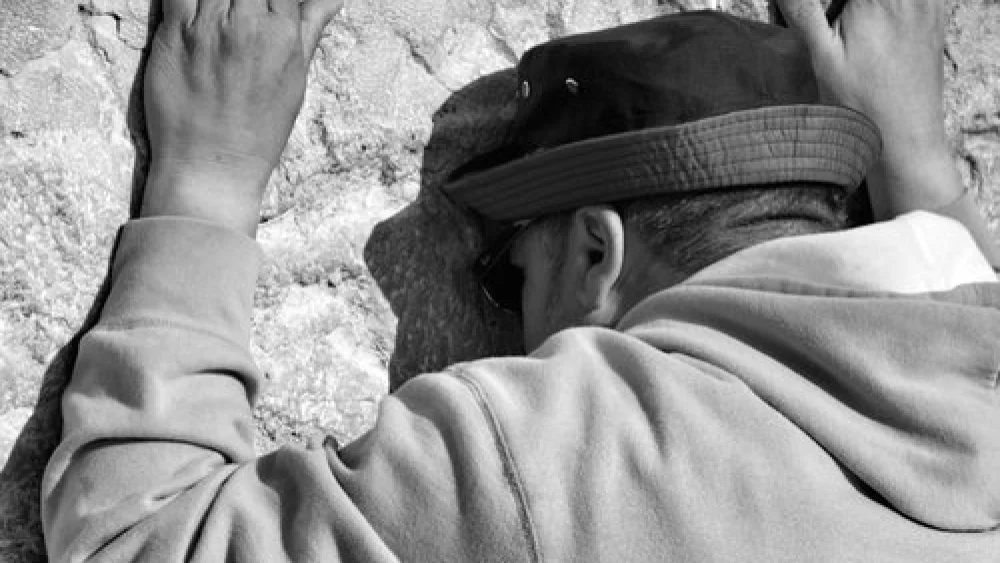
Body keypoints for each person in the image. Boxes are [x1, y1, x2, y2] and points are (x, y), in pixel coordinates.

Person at [41, 0, 1000, 561]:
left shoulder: (559, 455)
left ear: (596, 255)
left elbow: (133, 538)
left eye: (509, 276)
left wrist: (203, 183)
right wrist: (918, 166)